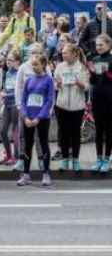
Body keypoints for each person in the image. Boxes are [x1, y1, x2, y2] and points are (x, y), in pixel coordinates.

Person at [18, 55, 55, 187]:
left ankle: (46, 173)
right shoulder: (29, 81)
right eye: (32, 65)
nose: (33, 67)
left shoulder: (48, 80)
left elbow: (49, 100)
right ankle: (26, 174)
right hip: (28, 118)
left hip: (42, 118)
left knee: (44, 143)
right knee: (27, 145)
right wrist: (26, 116)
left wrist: (39, 117)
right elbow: (23, 100)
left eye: (36, 65)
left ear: (43, 65)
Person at [54, 44, 89, 173]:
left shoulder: (82, 67)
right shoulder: (59, 67)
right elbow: (56, 86)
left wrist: (80, 84)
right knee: (63, 133)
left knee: (75, 134)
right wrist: (57, 84)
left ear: (74, 53)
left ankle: (75, 160)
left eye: (65, 53)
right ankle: (64, 160)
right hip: (61, 105)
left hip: (77, 106)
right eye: (62, 53)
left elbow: (86, 87)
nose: (63, 55)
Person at [88, 34, 112, 173]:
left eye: (101, 45)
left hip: (109, 99)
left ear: (108, 45)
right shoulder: (95, 59)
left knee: (109, 131)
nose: (98, 47)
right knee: (99, 130)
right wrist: (92, 73)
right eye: (97, 45)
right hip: (97, 98)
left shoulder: (111, 59)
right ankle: (98, 158)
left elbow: (110, 78)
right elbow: (93, 82)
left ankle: (107, 159)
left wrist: (105, 73)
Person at [0, 52, 21, 166]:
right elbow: (6, 89)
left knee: (15, 132)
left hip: (15, 105)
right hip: (7, 104)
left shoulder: (19, 73)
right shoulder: (7, 73)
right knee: (3, 131)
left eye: (11, 60)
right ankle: (8, 155)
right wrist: (2, 96)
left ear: (17, 61)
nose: (8, 62)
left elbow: (18, 92)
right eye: (7, 60)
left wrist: (5, 95)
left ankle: (16, 157)